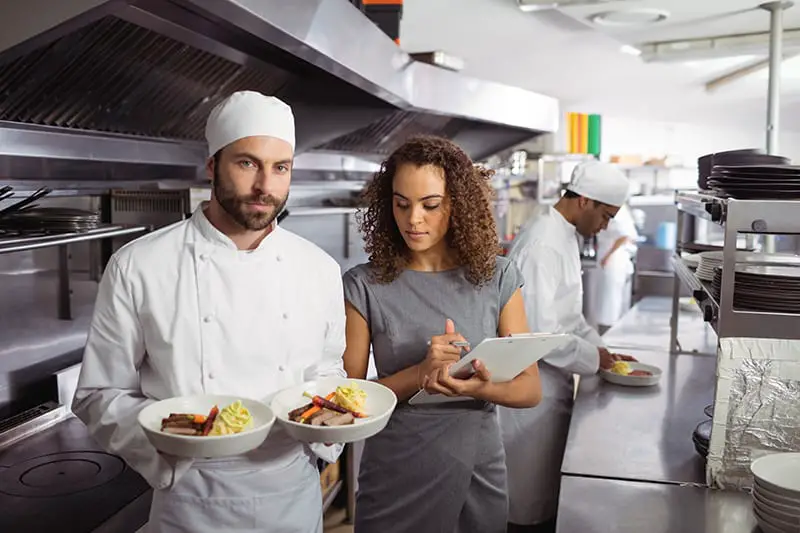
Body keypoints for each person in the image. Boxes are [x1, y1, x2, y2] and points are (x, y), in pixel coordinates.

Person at [72, 91, 346, 533]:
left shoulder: (320, 269)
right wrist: (169, 457)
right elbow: (98, 393)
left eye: (281, 168)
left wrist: (325, 439)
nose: (265, 186)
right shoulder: (139, 265)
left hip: (292, 498)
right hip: (191, 500)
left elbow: (327, 370)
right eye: (247, 163)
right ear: (212, 166)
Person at [341, 136, 542, 533]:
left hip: (476, 466)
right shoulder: (363, 285)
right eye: (401, 204)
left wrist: (473, 388)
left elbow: (530, 390)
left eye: (430, 205)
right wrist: (420, 374)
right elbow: (349, 400)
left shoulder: (497, 277)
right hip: (396, 469)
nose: (413, 219)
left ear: (458, 204)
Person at [498, 160, 637, 533]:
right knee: (525, 505)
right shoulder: (544, 243)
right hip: (531, 393)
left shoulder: (564, 235)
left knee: (541, 496)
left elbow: (570, 318)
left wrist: (602, 350)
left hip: (551, 387)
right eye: (606, 216)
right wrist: (595, 357)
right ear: (585, 201)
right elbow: (540, 332)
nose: (606, 226)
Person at [594, 201, 639, 334]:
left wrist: (607, 256)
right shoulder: (616, 207)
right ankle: (609, 333)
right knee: (611, 300)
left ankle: (608, 334)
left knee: (609, 301)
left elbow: (624, 235)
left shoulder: (615, 208)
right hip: (613, 257)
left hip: (613, 259)